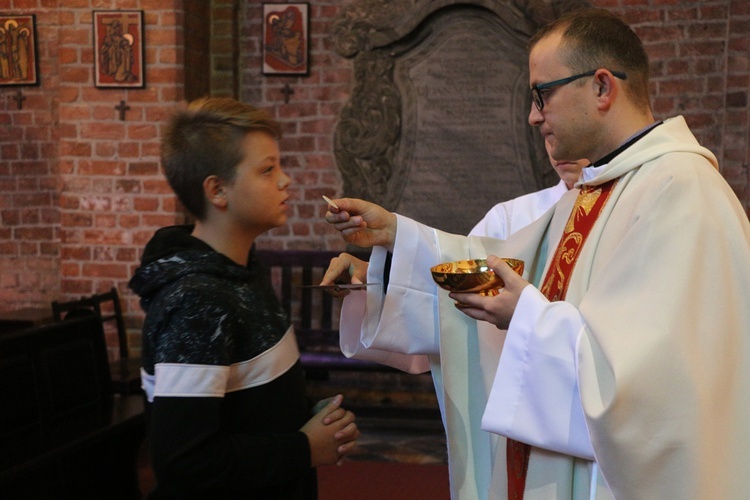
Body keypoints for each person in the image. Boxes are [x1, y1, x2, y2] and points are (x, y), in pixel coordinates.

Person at [323, 7, 750, 499]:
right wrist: (398, 237)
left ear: (602, 87)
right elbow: (503, 263)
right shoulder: (600, 190)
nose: (533, 115)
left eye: (542, 94)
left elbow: (655, 385)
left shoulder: (683, 191)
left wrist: (524, 315)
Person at [129, 97, 360, 499]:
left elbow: (245, 404)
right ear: (218, 190)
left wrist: (307, 420)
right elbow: (184, 459)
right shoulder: (197, 302)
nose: (285, 180)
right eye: (267, 170)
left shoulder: (239, 271)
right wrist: (302, 448)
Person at [321, 148, 586, 500]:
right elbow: (449, 307)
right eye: (537, 105)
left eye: (546, 99)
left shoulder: (632, 210)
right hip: (505, 424)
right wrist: (378, 277)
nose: (541, 123)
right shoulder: (508, 219)